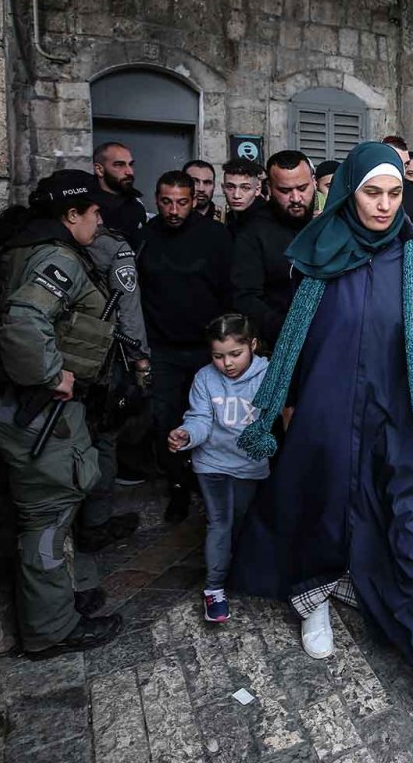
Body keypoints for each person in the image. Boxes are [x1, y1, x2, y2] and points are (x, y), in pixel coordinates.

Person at [230, 143, 413, 743]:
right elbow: (297, 340)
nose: (383, 205)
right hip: (326, 418)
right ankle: (315, 596)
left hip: (408, 422)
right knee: (319, 511)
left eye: (394, 193)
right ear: (348, 192)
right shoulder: (321, 252)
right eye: (372, 193)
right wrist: (289, 403)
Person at [0, 169, 122, 657]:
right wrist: (53, 376)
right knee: (47, 519)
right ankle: (51, 630)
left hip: (15, 406)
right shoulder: (55, 257)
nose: (100, 219)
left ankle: (66, 599)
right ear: (71, 214)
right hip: (31, 409)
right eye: (94, 212)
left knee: (55, 506)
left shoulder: (24, 249)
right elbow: (23, 324)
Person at [138, 171, 234, 522]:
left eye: (181, 202)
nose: (174, 209)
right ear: (156, 200)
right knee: (167, 421)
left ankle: (211, 488)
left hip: (205, 348)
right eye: (166, 202)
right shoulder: (145, 237)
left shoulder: (216, 237)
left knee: (214, 420)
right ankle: (178, 487)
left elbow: (229, 291)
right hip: (162, 349)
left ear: (194, 200)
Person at [167, 314, 269, 624]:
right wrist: (187, 435)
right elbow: (200, 418)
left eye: (235, 354)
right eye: (218, 356)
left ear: (252, 345)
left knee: (242, 521)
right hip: (211, 463)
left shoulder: (269, 376)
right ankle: (214, 589)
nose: (226, 363)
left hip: (250, 465)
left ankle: (239, 572)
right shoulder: (205, 378)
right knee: (219, 522)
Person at [76, 221, 151, 539]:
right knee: (104, 437)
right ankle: (95, 521)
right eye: (94, 213)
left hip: (68, 364)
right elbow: (128, 308)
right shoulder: (110, 246)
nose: (98, 220)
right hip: (99, 361)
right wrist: (141, 361)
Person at [233, 151, 315, 347]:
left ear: (313, 182)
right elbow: (245, 298)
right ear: (269, 188)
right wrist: (291, 330)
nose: (296, 198)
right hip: (276, 345)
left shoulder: (326, 225)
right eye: (285, 191)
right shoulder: (253, 233)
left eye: (302, 188)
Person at [92, 141, 147, 249]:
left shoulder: (136, 205)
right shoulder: (86, 206)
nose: (129, 171)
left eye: (130, 164)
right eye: (119, 165)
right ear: (99, 169)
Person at [221, 159, 266, 238]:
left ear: (257, 190)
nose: (236, 195)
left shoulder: (267, 221)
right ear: (223, 188)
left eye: (245, 188)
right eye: (230, 187)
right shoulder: (230, 217)